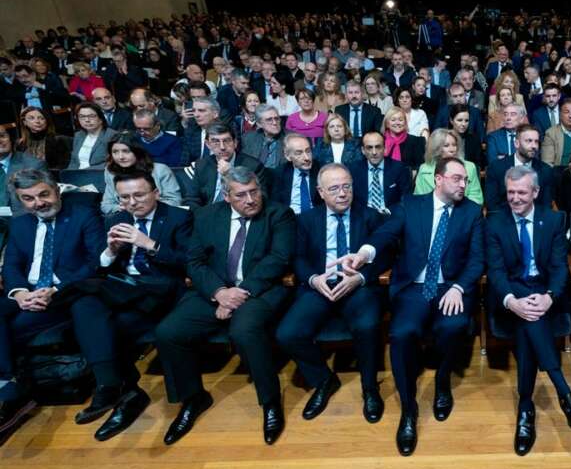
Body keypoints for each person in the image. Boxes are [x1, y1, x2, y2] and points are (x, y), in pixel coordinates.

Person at [338, 157, 484, 456]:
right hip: (414, 288)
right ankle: (408, 409)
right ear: (439, 179)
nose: (463, 184)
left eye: (465, 180)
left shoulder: (471, 212)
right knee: (402, 333)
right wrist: (363, 254)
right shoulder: (411, 204)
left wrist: (458, 287)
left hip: (450, 288)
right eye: (457, 178)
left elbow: (477, 259)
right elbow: (385, 233)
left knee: (454, 326)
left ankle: (442, 383)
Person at [154, 167, 296, 445]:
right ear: (227, 196)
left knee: (244, 331)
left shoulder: (279, 214)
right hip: (214, 290)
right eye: (241, 195)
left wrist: (238, 294)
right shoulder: (207, 216)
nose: (251, 199)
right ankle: (193, 398)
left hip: (258, 290)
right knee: (168, 332)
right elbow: (194, 262)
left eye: (254, 191)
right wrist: (219, 293)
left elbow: (278, 259)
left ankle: (270, 401)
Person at [0, 170, 121, 444]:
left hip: (65, 292)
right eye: (28, 199)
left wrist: (55, 289)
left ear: (56, 190)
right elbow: (12, 266)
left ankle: (109, 384)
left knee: (85, 305)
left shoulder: (82, 215)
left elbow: (93, 262)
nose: (38, 203)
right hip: (28, 294)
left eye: (44, 194)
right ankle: (8, 382)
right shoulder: (20, 225)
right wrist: (19, 294)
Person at [486, 166, 571, 455]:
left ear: (535, 192)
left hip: (541, 293)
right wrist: (512, 301)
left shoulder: (553, 220)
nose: (515, 198)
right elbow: (496, 272)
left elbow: (559, 267)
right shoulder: (495, 223)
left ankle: (525, 408)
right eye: (510, 192)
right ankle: (564, 392)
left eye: (522, 192)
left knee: (529, 326)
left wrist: (549, 297)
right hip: (511, 293)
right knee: (529, 318)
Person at [275, 164, 388, 424]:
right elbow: (298, 257)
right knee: (287, 334)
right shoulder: (305, 220)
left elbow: (387, 254)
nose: (342, 193)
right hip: (321, 286)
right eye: (334, 188)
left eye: (347, 186)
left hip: (357, 286)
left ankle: (370, 387)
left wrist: (360, 277)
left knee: (368, 326)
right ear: (321, 192)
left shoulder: (370, 217)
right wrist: (314, 280)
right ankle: (324, 380)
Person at [91, 170, 193, 439]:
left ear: (155, 193)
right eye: (125, 197)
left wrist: (149, 243)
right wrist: (111, 251)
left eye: (139, 195)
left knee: (157, 330)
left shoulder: (178, 217)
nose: (133, 202)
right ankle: (128, 394)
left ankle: (186, 399)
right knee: (103, 326)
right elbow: (100, 265)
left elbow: (189, 260)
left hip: (164, 291)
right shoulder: (117, 219)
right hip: (128, 290)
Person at [187, 123, 270, 208]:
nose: (222, 147)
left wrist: (230, 174)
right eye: (216, 142)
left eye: (226, 141)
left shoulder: (253, 166)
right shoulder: (202, 165)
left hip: (240, 212)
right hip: (209, 213)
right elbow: (192, 199)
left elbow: (261, 198)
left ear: (235, 143)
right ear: (208, 144)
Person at [101, 133, 182, 215]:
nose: (120, 157)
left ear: (137, 151)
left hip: (158, 216)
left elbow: (175, 201)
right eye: (115, 152)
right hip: (126, 216)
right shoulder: (111, 172)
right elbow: (106, 205)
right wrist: (121, 208)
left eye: (126, 151)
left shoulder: (160, 170)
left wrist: (147, 207)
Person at [484, 124, 552, 212]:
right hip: (505, 219)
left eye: (536, 141)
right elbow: (492, 204)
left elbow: (546, 205)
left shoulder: (545, 170)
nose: (534, 146)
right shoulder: (496, 168)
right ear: (516, 143)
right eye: (529, 141)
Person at [347, 131, 413, 212]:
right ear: (363, 150)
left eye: (378, 147)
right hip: (363, 217)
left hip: (390, 216)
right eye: (369, 147)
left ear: (385, 148)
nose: (374, 152)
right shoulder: (353, 170)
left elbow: (406, 199)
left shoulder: (400, 169)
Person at [414, 128, 484, 204]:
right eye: (446, 146)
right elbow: (418, 199)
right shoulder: (424, 169)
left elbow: (476, 198)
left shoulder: (469, 167)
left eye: (454, 145)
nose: (452, 149)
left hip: (462, 212)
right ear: (436, 148)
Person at [268, 133, 322, 213]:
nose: (307, 158)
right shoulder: (279, 173)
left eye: (308, 151)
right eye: (299, 153)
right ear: (288, 156)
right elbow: (275, 204)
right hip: (289, 218)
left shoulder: (321, 170)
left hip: (315, 218)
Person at [0, 124, 46, 217]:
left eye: (2, 136)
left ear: (10, 138)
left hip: (18, 221)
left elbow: (42, 203)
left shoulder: (34, 165)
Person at [68, 102, 117, 170]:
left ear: (101, 118)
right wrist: (69, 175)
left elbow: (112, 162)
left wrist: (85, 172)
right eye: (82, 116)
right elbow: (73, 161)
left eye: (91, 116)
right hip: (77, 176)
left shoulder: (111, 135)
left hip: (98, 175)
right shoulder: (78, 135)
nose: (87, 120)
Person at [240, 104, 284, 170]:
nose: (275, 123)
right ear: (259, 124)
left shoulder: (290, 139)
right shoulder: (247, 138)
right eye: (269, 120)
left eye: (276, 118)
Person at [448, 104, 483, 168]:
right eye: (459, 120)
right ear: (451, 120)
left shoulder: (474, 139)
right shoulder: (444, 138)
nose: (463, 124)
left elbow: (479, 163)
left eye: (466, 120)